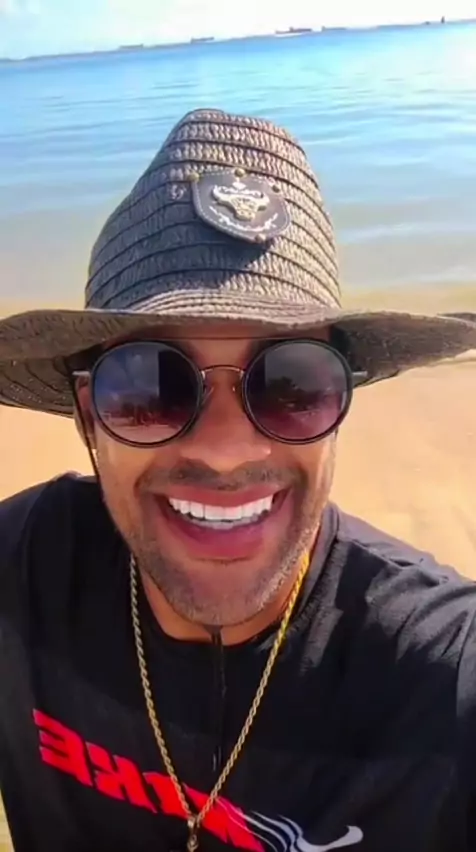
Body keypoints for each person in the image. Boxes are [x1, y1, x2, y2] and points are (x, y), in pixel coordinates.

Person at [0, 108, 475, 852]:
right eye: (151, 386)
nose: (225, 451)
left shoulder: (438, 681)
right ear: (90, 418)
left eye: (291, 384)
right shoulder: (22, 571)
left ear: (339, 408)